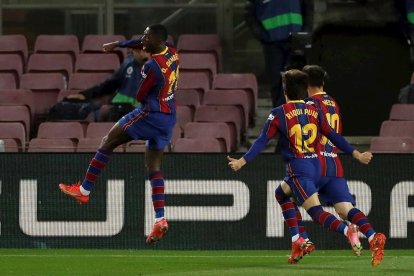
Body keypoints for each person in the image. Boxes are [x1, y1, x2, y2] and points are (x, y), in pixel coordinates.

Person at [227, 69, 372, 264]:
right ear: (304, 90)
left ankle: (347, 230)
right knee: (281, 193)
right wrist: (356, 153)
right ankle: (298, 239)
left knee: (316, 212)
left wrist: (241, 161)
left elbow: (262, 141)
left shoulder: (279, 113)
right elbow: (333, 135)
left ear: (285, 91)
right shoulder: (314, 109)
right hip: (317, 164)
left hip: (299, 167)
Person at [59, 24, 179, 244]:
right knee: (154, 167)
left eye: (146, 36)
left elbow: (141, 95)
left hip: (149, 114)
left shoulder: (151, 66)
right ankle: (160, 219)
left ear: (155, 39)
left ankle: (84, 190)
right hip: (168, 118)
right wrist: (119, 44)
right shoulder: (172, 52)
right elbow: (142, 45)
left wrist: (144, 86)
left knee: (107, 142)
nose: (142, 39)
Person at [301, 65, 386, 265]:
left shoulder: (309, 104)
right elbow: (334, 135)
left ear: (305, 84)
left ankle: (305, 239)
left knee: (302, 203)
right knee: (346, 210)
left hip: (315, 163)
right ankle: (372, 235)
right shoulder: (333, 103)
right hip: (334, 162)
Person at [245, 0, 314, 108]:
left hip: (295, 41)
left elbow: (308, 8)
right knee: (276, 83)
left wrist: (304, 33)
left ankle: (291, 117)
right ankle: (281, 118)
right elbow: (249, 15)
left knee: (295, 81)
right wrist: (262, 35)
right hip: (272, 43)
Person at [65, 39, 150, 122]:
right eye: (138, 50)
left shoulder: (158, 68)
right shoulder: (127, 64)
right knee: (101, 110)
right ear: (133, 51)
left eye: (144, 50)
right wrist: (85, 94)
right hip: (121, 109)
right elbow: (109, 86)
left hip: (146, 112)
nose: (141, 53)